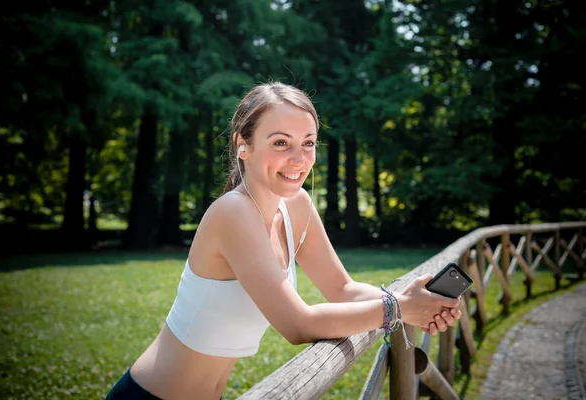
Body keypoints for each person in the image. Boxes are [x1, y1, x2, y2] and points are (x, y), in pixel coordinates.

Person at [106, 82, 462, 400]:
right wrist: (398, 308)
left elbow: (341, 288)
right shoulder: (232, 212)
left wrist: (418, 303)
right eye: (281, 143)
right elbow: (298, 324)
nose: (299, 159)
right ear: (243, 146)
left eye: (308, 143)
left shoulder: (297, 206)